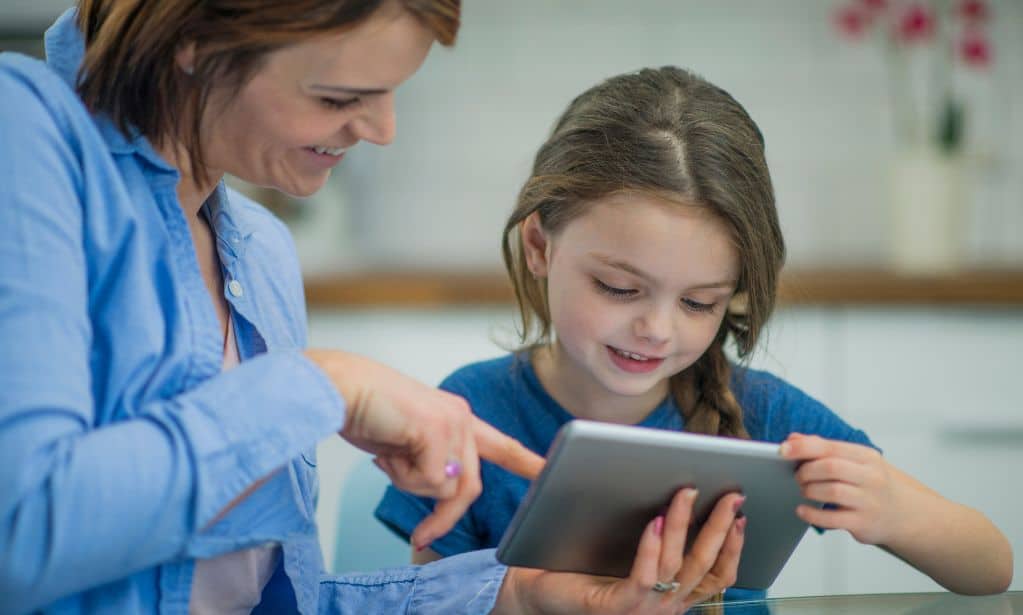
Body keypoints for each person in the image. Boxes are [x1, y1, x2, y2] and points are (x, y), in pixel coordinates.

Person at [0, 2, 748, 614]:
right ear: (196, 38)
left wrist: (521, 596)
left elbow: (266, 600)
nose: (381, 130)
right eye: (338, 98)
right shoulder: (25, 136)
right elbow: (20, 533)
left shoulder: (257, 254)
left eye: (391, 92)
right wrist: (324, 385)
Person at [375, 66, 1015, 602]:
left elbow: (991, 569)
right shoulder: (471, 414)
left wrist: (896, 512)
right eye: (619, 288)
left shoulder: (764, 417)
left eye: (699, 302)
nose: (656, 329)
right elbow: (429, 601)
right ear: (539, 245)